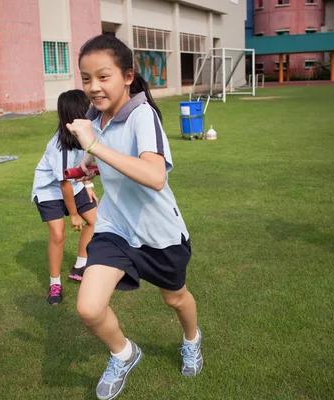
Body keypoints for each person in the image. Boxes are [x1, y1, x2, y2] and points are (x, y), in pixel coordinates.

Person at [65, 34, 202, 400]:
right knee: (89, 308)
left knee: (175, 299)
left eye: (103, 77)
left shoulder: (143, 116)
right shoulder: (96, 116)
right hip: (115, 227)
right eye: (86, 78)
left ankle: (191, 339)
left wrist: (94, 146)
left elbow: (155, 176)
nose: (93, 87)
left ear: (127, 76)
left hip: (159, 233)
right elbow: (104, 154)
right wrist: (87, 165)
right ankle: (124, 353)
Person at [31, 89, 98, 304]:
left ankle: (80, 265)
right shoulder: (60, 146)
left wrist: (87, 184)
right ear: (77, 112)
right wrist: (74, 214)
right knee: (58, 234)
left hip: (72, 185)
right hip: (49, 190)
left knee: (96, 221)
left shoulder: (84, 134)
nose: (91, 109)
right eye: (87, 106)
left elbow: (83, 164)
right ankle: (54, 284)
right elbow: (64, 184)